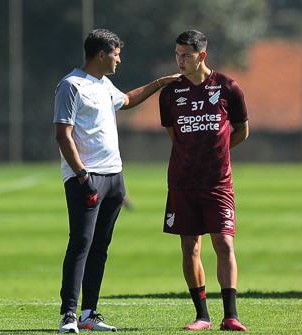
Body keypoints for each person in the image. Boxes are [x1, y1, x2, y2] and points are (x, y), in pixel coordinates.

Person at [53, 28, 179, 334]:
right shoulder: (71, 86)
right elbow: (62, 135)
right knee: (80, 244)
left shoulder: (103, 84)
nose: (119, 59)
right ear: (101, 54)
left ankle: (88, 313)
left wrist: (161, 83)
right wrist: (82, 175)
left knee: (100, 247)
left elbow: (127, 99)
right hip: (87, 177)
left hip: (114, 177)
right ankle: (68, 316)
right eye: (116, 54)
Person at [159, 30, 249, 332]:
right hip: (183, 182)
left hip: (218, 183)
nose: (180, 60)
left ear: (202, 56)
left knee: (224, 243)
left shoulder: (228, 87)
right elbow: (176, 136)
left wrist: (216, 153)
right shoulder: (170, 93)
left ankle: (231, 315)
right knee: (190, 248)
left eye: (186, 54)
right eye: (177, 54)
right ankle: (202, 316)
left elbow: (241, 130)